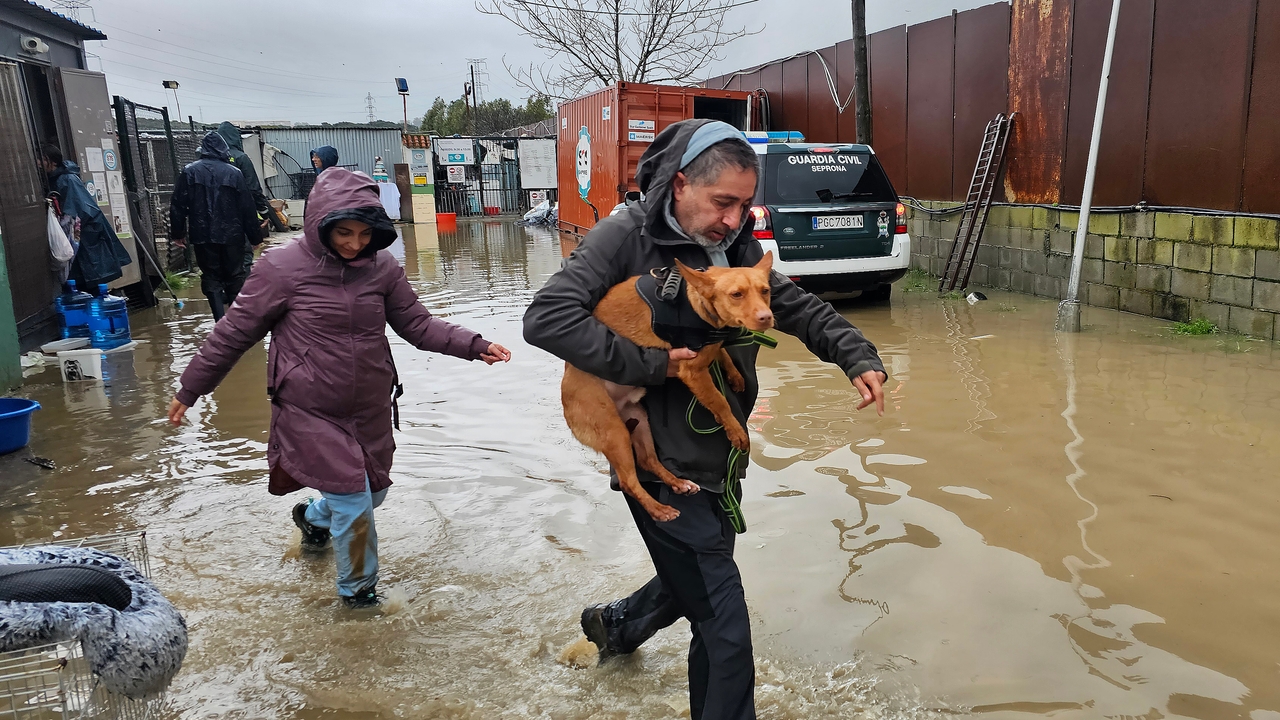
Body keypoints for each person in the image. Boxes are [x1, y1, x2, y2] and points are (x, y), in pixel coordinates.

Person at [523, 119, 887, 719]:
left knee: (690, 576)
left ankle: (615, 628)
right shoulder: (622, 236)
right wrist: (653, 364)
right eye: (724, 202)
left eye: (746, 204)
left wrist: (856, 356)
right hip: (661, 457)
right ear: (681, 182)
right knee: (724, 627)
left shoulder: (734, 245)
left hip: (719, 452)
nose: (734, 218)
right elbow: (547, 319)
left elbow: (792, 305)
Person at [166, 167, 512, 608]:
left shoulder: (382, 268)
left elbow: (418, 325)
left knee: (374, 492)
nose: (354, 243)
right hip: (310, 409)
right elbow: (233, 333)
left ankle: (312, 520)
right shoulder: (281, 268)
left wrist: (473, 345)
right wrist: (191, 388)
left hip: (369, 407)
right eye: (344, 232)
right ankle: (358, 598)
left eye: (365, 233)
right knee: (353, 501)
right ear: (319, 223)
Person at [169, 132, 264, 321]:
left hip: (202, 234)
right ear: (223, 149)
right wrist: (255, 237)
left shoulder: (189, 171)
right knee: (235, 276)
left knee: (211, 276)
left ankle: (219, 321)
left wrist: (178, 234)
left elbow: (178, 204)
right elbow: (247, 206)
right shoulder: (234, 173)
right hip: (232, 235)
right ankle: (237, 322)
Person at [41, 145, 133, 288]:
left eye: (41, 160)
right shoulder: (60, 179)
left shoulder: (67, 180)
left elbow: (79, 211)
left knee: (88, 285)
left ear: (51, 161)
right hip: (82, 238)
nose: (38, 164)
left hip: (84, 238)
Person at [215, 121, 273, 263]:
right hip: (238, 216)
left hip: (212, 218)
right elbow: (253, 188)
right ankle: (242, 283)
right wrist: (264, 212)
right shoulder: (240, 158)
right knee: (243, 256)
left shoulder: (207, 160)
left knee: (216, 264)